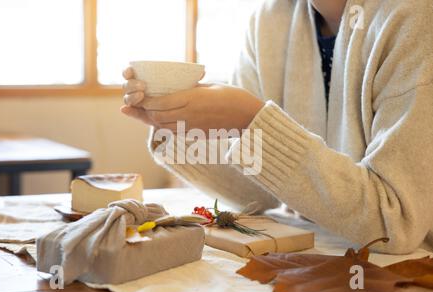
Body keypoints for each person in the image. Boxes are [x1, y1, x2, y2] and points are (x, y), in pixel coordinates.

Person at [120, 0, 433, 254]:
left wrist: (249, 119)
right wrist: (177, 125)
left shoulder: (415, 18)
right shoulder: (268, 20)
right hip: (322, 252)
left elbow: (397, 222)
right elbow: (266, 193)